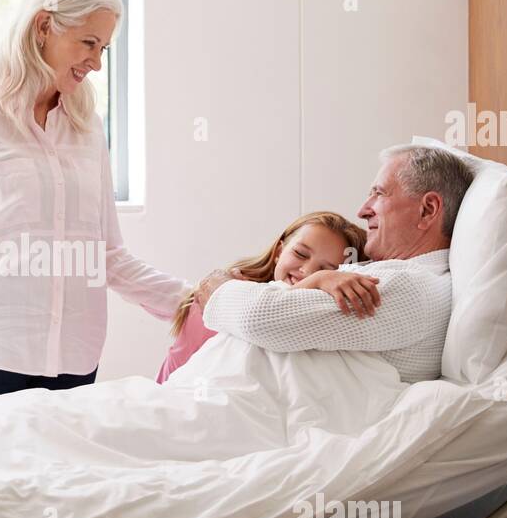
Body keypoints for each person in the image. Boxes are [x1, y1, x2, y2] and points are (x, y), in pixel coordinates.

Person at [0, 0, 188, 410]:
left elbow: (107, 255)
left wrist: (194, 300)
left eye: (104, 48)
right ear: (43, 26)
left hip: (75, 364)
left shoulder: (87, 128)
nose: (97, 63)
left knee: (63, 483)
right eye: (89, 43)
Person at [194, 145, 475, 383]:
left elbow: (259, 317)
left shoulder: (410, 288)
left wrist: (217, 286)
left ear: (427, 210)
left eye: (379, 194)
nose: (363, 210)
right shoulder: (393, 277)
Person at [157, 212, 367, 384]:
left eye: (326, 269)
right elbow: (266, 319)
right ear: (279, 251)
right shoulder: (231, 293)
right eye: (300, 254)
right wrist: (318, 279)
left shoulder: (320, 316)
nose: (306, 270)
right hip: (176, 395)